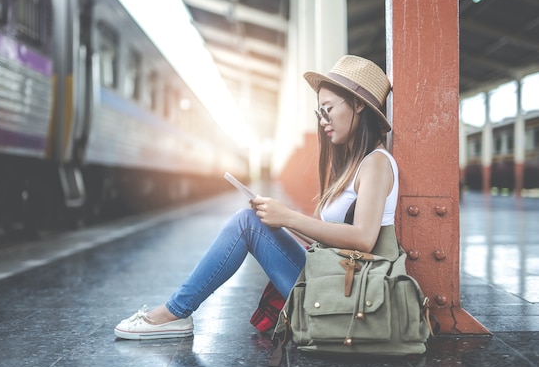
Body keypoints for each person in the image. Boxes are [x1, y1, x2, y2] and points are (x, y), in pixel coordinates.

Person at [114, 54, 398, 340]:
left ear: (359, 105)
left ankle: (173, 313)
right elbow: (332, 240)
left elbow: (363, 239)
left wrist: (287, 217)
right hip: (333, 276)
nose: (322, 120)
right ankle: (176, 311)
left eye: (328, 109)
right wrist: (280, 218)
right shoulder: (357, 164)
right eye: (319, 112)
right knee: (253, 220)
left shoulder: (376, 163)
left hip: (348, 289)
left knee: (247, 223)